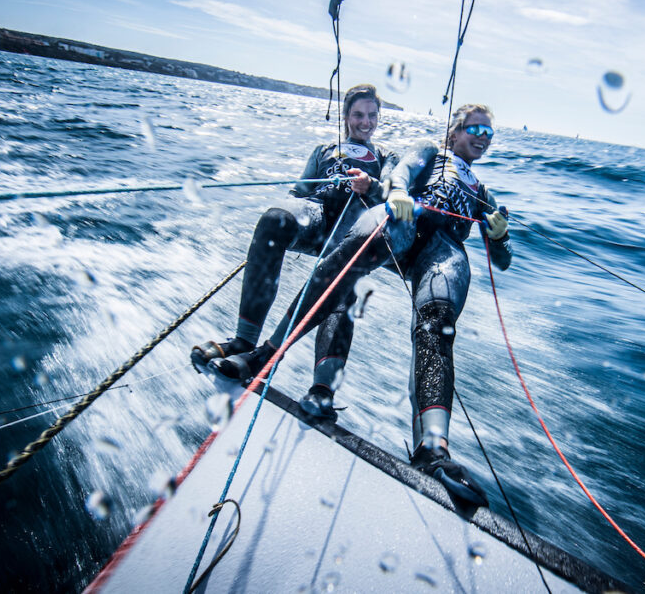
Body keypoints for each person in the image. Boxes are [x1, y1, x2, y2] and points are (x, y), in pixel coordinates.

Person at [225, 104, 511, 506]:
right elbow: (404, 171)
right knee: (344, 264)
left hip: (444, 250)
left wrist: (500, 238)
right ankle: (264, 355)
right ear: (456, 130)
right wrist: (396, 192)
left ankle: (433, 451)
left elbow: (503, 260)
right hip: (405, 219)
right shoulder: (433, 151)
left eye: (489, 132)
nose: (482, 136)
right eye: (476, 127)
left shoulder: (483, 193)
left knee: (436, 325)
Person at [191, 84, 397, 412]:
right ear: (345, 117)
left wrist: (370, 186)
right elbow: (300, 192)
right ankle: (244, 340)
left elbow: (391, 190)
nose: (366, 122)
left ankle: (322, 387)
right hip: (315, 219)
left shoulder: (387, 157)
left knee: (345, 279)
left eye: (372, 115)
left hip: (351, 231)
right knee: (274, 220)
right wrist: (279, 228)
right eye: (358, 114)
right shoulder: (324, 150)